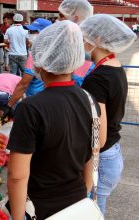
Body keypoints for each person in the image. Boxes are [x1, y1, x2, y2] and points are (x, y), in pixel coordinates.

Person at [7, 20, 97, 220]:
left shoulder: (30, 108)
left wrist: (18, 217)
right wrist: (85, 194)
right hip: (78, 203)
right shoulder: (90, 100)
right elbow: (90, 156)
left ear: (42, 60)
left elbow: (17, 176)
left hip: (42, 207)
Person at [80, 14, 137, 216]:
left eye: (84, 36)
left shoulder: (97, 78)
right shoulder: (116, 67)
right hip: (113, 151)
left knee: (93, 209)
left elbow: (99, 137)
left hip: (102, 158)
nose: (82, 41)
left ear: (96, 39)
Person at [6, 18, 53, 108]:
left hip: (34, 102)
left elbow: (23, 84)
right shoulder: (56, 52)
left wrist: (9, 106)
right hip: (49, 101)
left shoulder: (35, 54)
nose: (30, 34)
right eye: (30, 32)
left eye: (34, 31)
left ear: (46, 33)